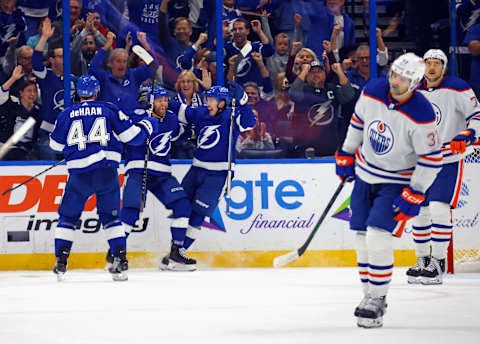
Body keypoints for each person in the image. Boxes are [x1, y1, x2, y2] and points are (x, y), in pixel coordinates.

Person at [335, 53, 443, 328]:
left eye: (403, 78)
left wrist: (416, 191)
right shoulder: (373, 91)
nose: (395, 81)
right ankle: (368, 297)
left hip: (396, 181)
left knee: (377, 235)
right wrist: (347, 154)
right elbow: (357, 123)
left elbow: (431, 158)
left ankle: (377, 297)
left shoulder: (422, 111)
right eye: (394, 74)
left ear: (415, 83)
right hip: (364, 174)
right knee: (360, 236)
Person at [48, 75, 154, 282]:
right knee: (111, 218)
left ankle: (61, 261)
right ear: (96, 92)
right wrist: (148, 125)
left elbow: (55, 146)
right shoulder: (108, 109)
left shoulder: (66, 114)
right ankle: (121, 260)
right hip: (106, 171)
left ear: (78, 93)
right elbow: (132, 137)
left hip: (78, 174)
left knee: (68, 218)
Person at [407, 49, 480, 284]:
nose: (432, 67)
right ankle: (422, 260)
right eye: (428, 63)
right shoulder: (413, 90)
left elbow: (477, 115)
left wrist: (468, 133)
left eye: (437, 63)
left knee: (439, 209)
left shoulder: (458, 87)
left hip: (447, 158)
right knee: (419, 211)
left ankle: (438, 262)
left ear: (444, 67)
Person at [164, 82, 256, 265]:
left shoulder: (232, 116)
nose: (208, 103)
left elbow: (249, 123)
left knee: (198, 214)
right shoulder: (201, 113)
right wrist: (160, 95)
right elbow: (181, 109)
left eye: (212, 100)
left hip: (219, 175)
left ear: (223, 103)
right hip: (196, 169)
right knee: (182, 207)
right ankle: (175, 250)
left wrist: (243, 100)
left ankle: (178, 252)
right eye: (208, 99)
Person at [108, 85, 196, 271]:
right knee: (131, 212)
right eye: (159, 100)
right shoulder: (136, 116)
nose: (163, 104)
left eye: (165, 100)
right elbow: (123, 134)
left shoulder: (171, 119)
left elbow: (181, 135)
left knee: (182, 206)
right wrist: (143, 125)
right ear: (150, 101)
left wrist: (192, 131)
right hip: (138, 170)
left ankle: (176, 252)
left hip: (162, 173)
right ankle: (116, 252)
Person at [32, 18, 76, 160]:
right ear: (52, 60)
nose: (65, 60)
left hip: (71, 134)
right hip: (49, 134)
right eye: (61, 56)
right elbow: (36, 62)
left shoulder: (73, 79)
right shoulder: (47, 76)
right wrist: (44, 37)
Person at [0, 65, 40, 160]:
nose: (32, 94)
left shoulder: (38, 111)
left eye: (35, 91)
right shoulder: (12, 104)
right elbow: (1, 96)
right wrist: (13, 78)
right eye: (29, 91)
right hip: (6, 146)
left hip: (27, 149)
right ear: (21, 93)